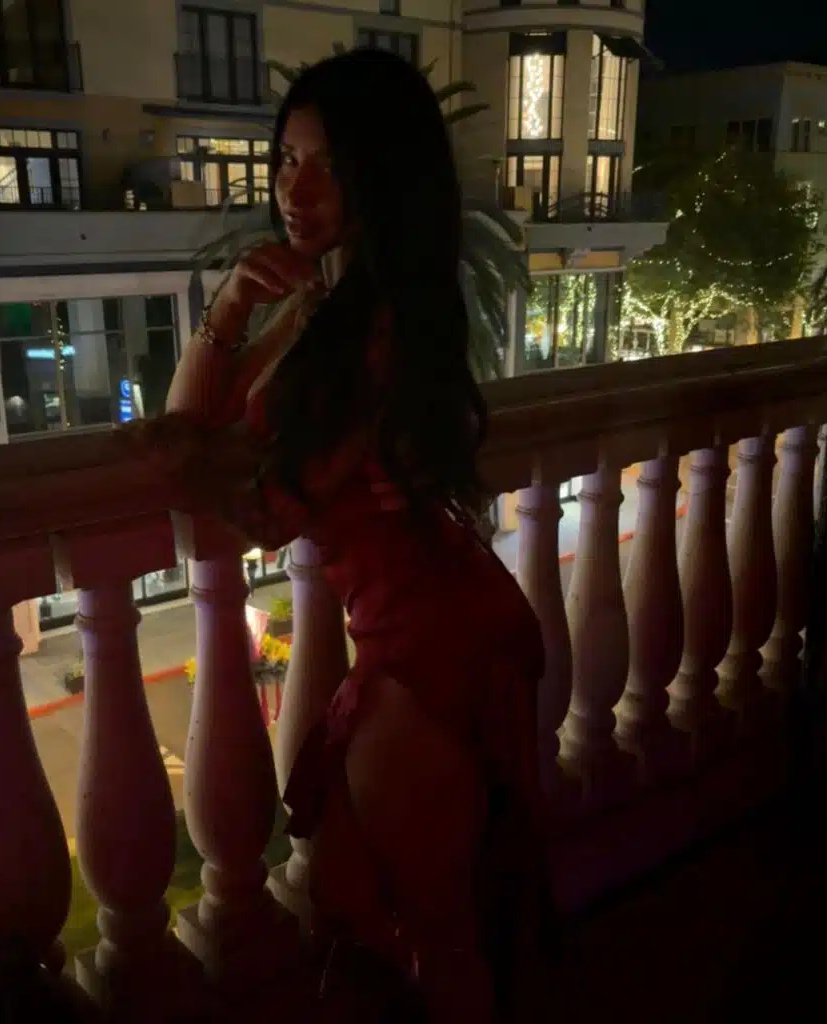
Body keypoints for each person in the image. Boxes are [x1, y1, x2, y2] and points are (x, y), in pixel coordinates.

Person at [155, 49, 553, 1021]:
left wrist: (177, 461)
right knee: (353, 904)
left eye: (328, 165)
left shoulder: (373, 328)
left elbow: (257, 506)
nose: (295, 190)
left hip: (429, 643)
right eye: (285, 160)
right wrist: (231, 303)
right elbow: (194, 423)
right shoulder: (330, 306)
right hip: (419, 624)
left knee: (441, 934)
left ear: (384, 175)